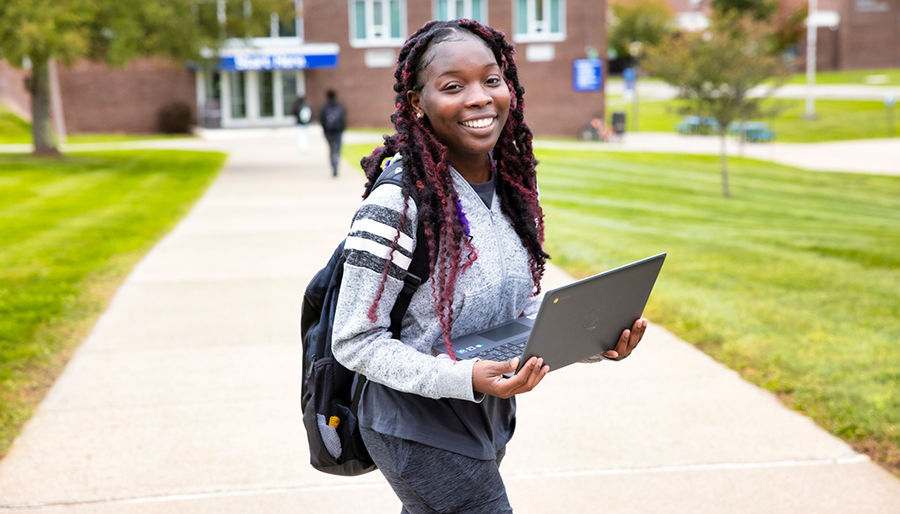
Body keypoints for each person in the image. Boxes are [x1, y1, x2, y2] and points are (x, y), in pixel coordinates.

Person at [331, 19, 647, 514]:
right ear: (417, 103)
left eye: (491, 80)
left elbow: (511, 308)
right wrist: (465, 377)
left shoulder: (514, 188)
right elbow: (354, 338)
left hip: (487, 414)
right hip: (414, 424)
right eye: (453, 86)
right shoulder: (397, 202)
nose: (480, 98)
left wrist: (592, 336)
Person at [320, 89, 346, 176]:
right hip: (338, 132)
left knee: (331, 150)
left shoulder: (325, 107)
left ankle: (333, 165)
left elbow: (322, 121)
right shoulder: (339, 107)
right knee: (337, 150)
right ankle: (336, 165)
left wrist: (324, 131)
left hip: (329, 133)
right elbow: (343, 120)